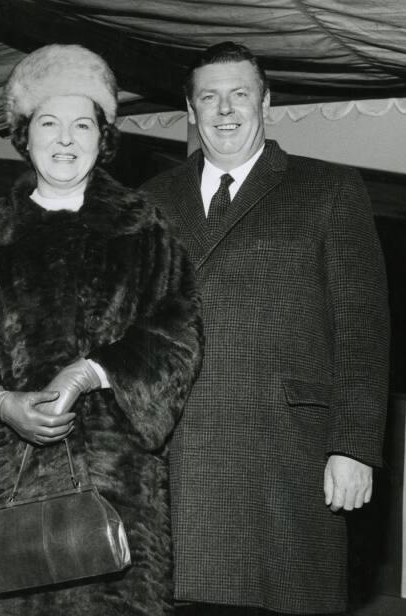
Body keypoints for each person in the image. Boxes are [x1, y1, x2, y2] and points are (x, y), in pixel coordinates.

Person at [0, 44, 203, 616]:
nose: (65, 139)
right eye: (49, 123)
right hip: (5, 484)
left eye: (83, 124)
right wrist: (0, 402)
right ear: (23, 135)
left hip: (115, 488)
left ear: (105, 139)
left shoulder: (144, 230)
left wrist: (90, 372)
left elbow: (178, 334)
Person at [141, 41, 390, 615]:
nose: (225, 110)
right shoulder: (150, 201)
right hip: (180, 454)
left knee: (289, 598)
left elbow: (363, 331)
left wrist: (353, 447)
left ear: (266, 102)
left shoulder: (328, 189)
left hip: (287, 452)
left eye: (240, 95)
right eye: (210, 97)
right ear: (190, 110)